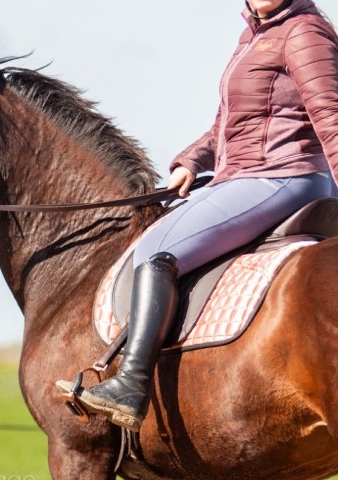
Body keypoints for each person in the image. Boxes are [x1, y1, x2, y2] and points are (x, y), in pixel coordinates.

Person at [57, 0, 338, 432]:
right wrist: (191, 159)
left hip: (281, 176)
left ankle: (131, 384)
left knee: (159, 249)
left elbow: (331, 117)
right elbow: (228, 124)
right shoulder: (255, 34)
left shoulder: (303, 32)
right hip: (245, 175)